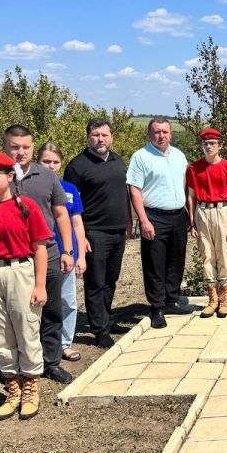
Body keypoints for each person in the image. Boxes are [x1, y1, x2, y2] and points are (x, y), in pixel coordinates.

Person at [0, 125, 75, 384]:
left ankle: (50, 363)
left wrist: (68, 250)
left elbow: (61, 214)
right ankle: (17, 367)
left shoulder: (47, 176)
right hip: (8, 259)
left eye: (26, 147)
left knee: (50, 310)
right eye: (14, 147)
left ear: (32, 147)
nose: (20, 152)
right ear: (5, 146)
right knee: (13, 315)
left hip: (47, 253)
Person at [0, 152, 52, 420]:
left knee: (26, 329)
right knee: (0, 335)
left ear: (10, 176)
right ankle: (12, 389)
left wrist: (40, 285)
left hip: (20, 273)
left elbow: (40, 249)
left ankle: (30, 389)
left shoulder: (25, 206)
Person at [65, 118, 132, 346]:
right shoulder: (77, 166)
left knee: (111, 280)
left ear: (111, 136)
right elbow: (70, 207)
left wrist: (128, 223)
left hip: (117, 231)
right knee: (95, 282)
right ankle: (99, 330)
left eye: (104, 135)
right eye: (95, 135)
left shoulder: (117, 160)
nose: (100, 139)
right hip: (93, 232)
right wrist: (79, 238)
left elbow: (124, 195)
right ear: (88, 138)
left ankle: (106, 317)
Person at [126, 117, 191, 329]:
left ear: (171, 133)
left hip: (178, 215)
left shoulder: (179, 155)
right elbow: (134, 190)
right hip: (154, 216)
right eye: (156, 132)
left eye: (165, 131)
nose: (161, 135)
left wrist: (189, 213)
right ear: (149, 134)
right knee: (155, 263)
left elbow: (186, 186)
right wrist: (143, 220)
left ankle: (171, 301)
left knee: (176, 259)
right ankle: (157, 307)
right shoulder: (141, 156)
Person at [37, 142, 86, 363]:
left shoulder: (69, 189)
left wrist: (81, 255)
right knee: (39, 301)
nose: (51, 166)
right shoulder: (30, 187)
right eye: (46, 161)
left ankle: (64, 343)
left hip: (66, 253)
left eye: (55, 162)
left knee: (67, 301)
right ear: (38, 162)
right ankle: (38, 345)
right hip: (39, 253)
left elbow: (77, 223)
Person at [187, 128, 227, 318]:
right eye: (205, 143)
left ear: (220, 145)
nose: (208, 146)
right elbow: (191, 196)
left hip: (222, 210)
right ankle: (212, 299)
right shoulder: (194, 168)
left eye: (212, 143)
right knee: (207, 255)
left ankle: (225, 299)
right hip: (202, 211)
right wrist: (192, 223)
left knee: (223, 255)